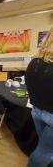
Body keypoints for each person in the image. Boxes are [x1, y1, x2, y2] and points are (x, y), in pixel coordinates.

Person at [25, 27, 53, 167]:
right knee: (45, 152)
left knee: (45, 148)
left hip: (37, 112)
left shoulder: (34, 62)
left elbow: (29, 85)